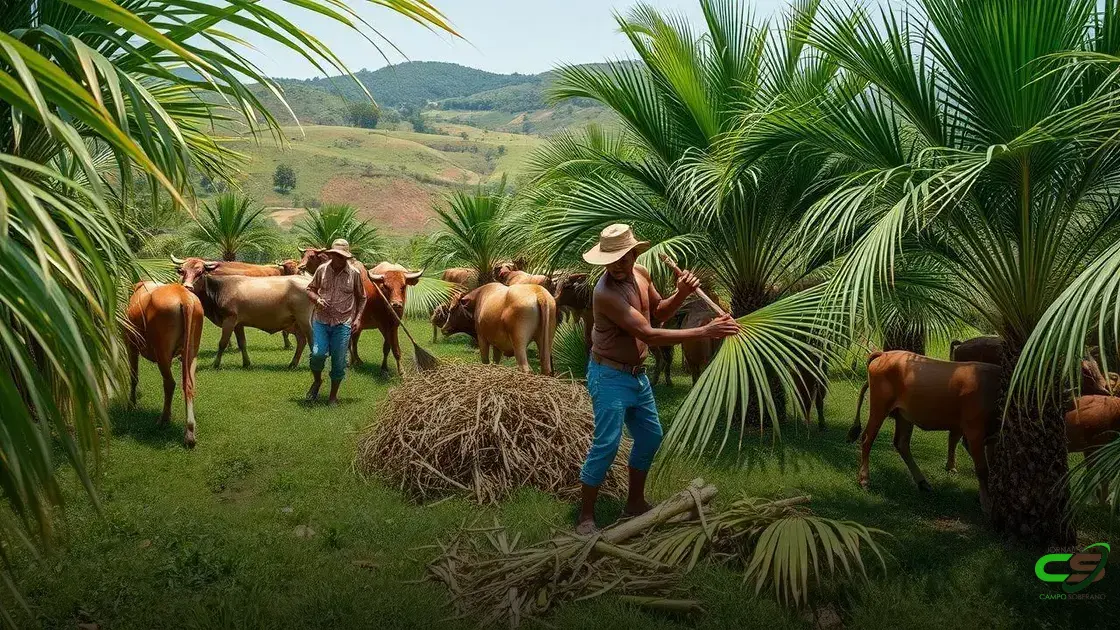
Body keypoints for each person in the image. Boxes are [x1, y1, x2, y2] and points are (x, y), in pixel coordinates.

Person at [577, 224, 739, 534]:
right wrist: (705, 331)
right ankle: (586, 516)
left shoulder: (641, 274)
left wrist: (682, 292)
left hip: (637, 376)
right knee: (607, 444)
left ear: (634, 253)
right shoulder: (605, 293)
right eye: (610, 260)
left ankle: (634, 503)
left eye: (623, 258)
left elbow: (660, 313)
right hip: (609, 375)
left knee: (650, 436)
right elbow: (648, 334)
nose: (617, 266)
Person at [305, 239, 367, 405]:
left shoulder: (354, 274)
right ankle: (317, 380)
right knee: (318, 354)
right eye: (334, 254)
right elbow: (310, 289)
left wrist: (358, 318)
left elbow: (362, 298)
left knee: (339, 360)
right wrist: (317, 300)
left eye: (341, 256)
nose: (337, 258)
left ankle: (333, 396)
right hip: (321, 320)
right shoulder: (322, 270)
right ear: (331, 254)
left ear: (346, 258)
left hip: (343, 323)